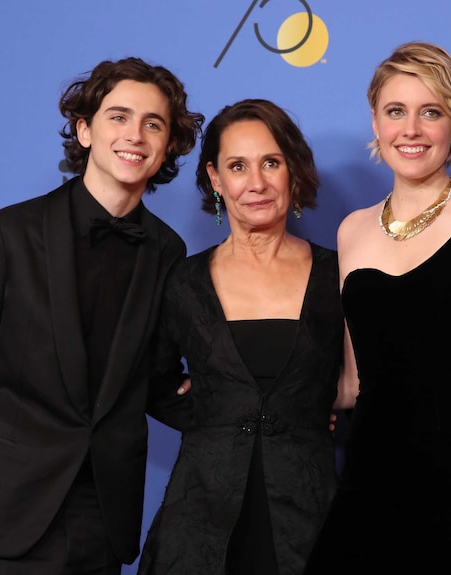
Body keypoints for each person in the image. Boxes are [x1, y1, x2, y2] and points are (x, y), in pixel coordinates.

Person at [0, 57, 203, 575]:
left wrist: (269, 410)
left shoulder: (168, 251)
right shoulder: (8, 234)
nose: (134, 135)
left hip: (105, 518)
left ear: (168, 146)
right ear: (85, 130)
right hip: (2, 515)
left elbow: (157, 382)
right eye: (118, 116)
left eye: (153, 123)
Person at [302, 41, 451, 574]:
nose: (410, 130)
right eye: (395, 112)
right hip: (371, 474)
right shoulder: (352, 230)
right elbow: (353, 378)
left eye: (429, 112)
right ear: (376, 123)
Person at [136, 98, 345, 575]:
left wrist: (317, 411)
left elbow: (370, 381)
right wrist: (217, 412)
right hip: (200, 519)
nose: (256, 183)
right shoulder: (184, 282)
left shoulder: (338, 274)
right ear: (215, 179)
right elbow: (152, 380)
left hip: (311, 517)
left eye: (271, 163)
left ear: (292, 170)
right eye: (237, 166)